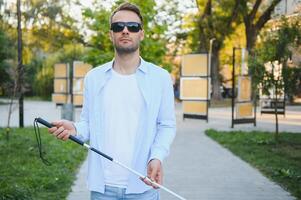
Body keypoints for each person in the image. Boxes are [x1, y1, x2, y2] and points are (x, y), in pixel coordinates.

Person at [48, 2, 176, 200]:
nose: (125, 31)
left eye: (132, 27)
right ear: (111, 34)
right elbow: (88, 124)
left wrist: (156, 157)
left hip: (144, 187)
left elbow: (167, 125)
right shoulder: (94, 77)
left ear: (141, 33)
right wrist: (75, 129)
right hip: (102, 189)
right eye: (118, 27)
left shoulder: (160, 77)